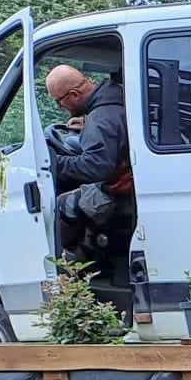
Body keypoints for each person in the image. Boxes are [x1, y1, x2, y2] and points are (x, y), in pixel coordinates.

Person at [43, 65, 132, 261]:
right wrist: (87, 125)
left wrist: (54, 163)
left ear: (74, 95)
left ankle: (70, 266)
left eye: (59, 102)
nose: (61, 107)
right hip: (126, 183)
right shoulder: (113, 98)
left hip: (119, 193)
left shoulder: (101, 118)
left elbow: (95, 167)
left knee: (61, 206)